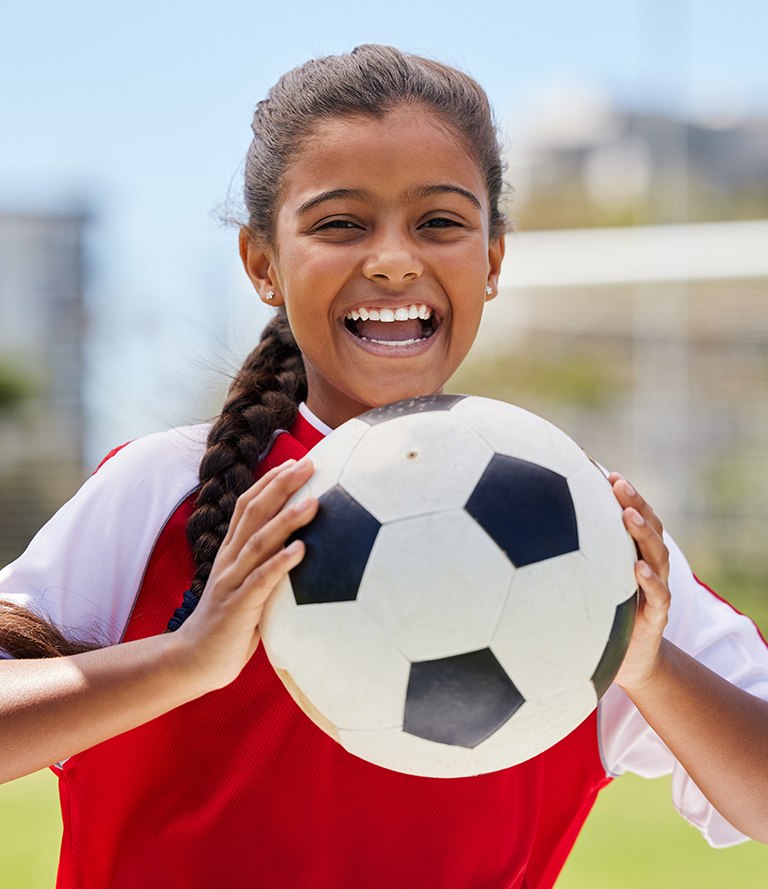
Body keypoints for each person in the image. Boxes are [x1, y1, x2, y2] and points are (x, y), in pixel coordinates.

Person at [0, 44, 767, 889]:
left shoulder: (584, 523)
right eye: (340, 223)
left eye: (439, 222)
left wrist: (648, 666)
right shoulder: (163, 487)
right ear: (262, 263)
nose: (395, 259)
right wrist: (185, 661)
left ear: (494, 259)